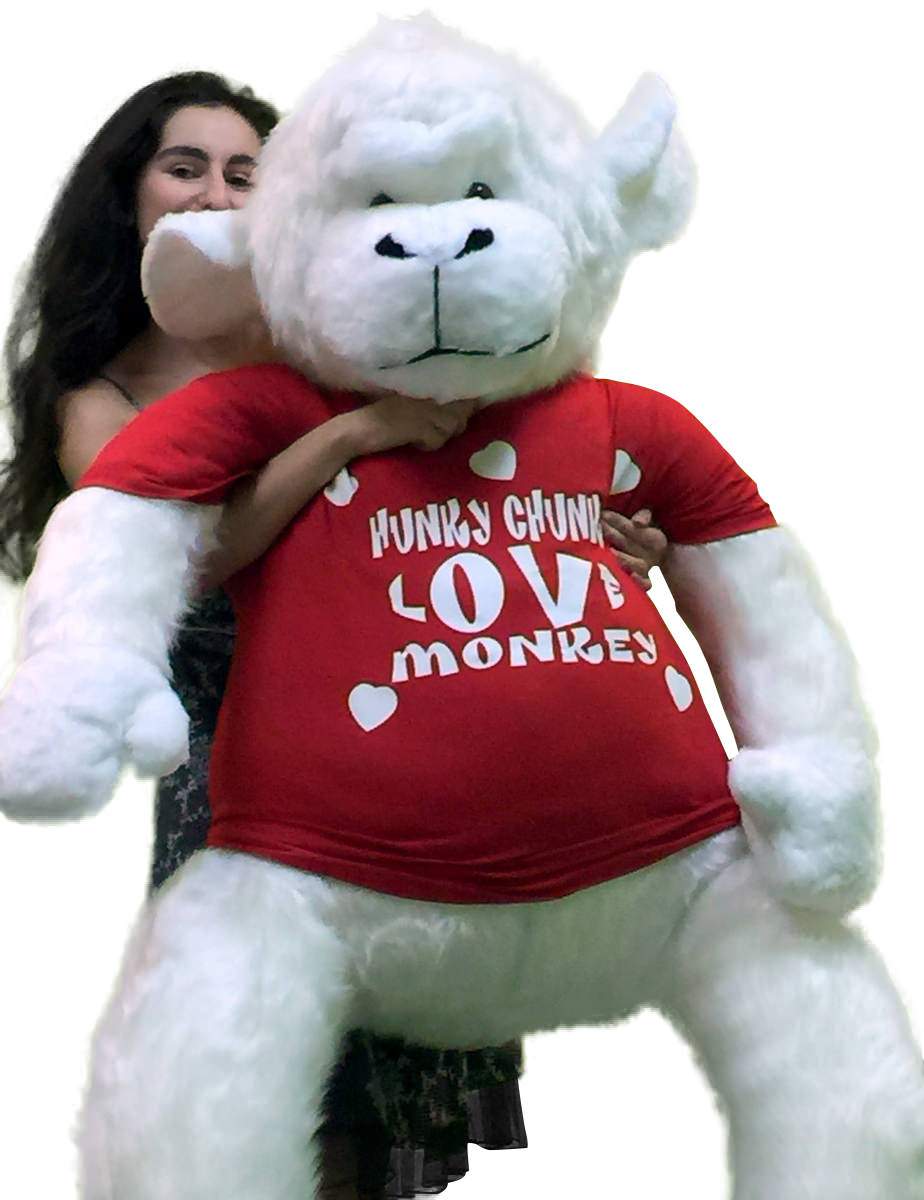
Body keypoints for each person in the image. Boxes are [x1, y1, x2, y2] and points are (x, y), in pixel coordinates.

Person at [0, 71, 667, 1199]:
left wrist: (594, 536)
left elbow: (472, 488)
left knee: (382, 1095)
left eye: (245, 173)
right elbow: (194, 557)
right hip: (243, 778)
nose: (216, 193)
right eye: (184, 168)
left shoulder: (338, 337)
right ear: (128, 196)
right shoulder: (97, 395)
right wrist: (354, 435)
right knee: (272, 1093)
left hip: (402, 749)